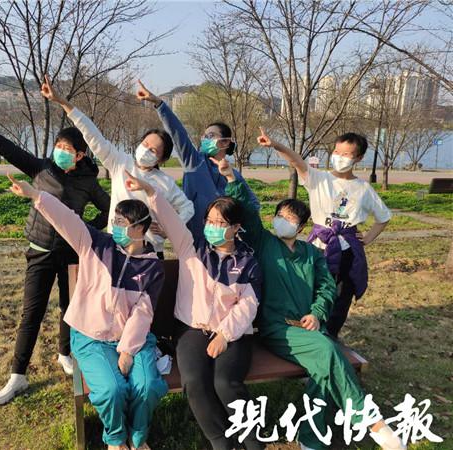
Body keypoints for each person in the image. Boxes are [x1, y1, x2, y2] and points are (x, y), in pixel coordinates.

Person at [215, 157, 405, 450]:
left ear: (302, 226)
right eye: (281, 215)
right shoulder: (264, 243)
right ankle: (371, 420)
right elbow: (249, 213)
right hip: (277, 328)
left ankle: (311, 439)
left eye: (291, 219)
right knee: (328, 350)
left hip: (310, 327)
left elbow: (327, 289)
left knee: (322, 368)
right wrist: (231, 178)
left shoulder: (313, 254)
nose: (284, 221)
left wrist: (317, 314)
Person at [0, 111, 110, 404]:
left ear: (80, 155)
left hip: (72, 255)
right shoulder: (41, 169)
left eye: (67, 149)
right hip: (41, 252)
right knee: (31, 313)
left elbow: (109, 209)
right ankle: (18, 375)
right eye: (58, 146)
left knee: (69, 309)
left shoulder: (88, 182)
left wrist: (86, 231)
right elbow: (7, 147)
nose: (60, 152)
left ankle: (64, 353)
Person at [8, 173, 166, 450]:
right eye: (115, 220)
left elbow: (143, 313)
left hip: (133, 339)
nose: (116, 226)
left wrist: (128, 351)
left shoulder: (152, 267)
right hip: (91, 337)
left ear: (141, 228)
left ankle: (138, 438)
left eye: (123, 223)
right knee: (111, 389)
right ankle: (116, 439)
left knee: (148, 385)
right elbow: (67, 219)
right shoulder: (96, 244)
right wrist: (36, 195)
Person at [124, 170, 262, 450]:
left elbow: (249, 304)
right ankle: (221, 441)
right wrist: (150, 191)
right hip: (191, 329)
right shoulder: (192, 248)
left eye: (220, 222)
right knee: (194, 381)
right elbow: (172, 221)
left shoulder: (247, 262)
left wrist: (225, 335)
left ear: (236, 227)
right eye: (209, 220)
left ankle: (253, 439)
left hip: (233, 332)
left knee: (225, 382)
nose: (212, 227)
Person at [40, 75, 194, 258]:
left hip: (150, 253)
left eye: (153, 150)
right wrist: (62, 102)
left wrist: (167, 229)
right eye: (145, 144)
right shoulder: (120, 162)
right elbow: (92, 134)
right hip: (117, 247)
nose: (145, 150)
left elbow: (188, 208)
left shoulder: (165, 182)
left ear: (162, 159)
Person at [257, 129, 391, 339]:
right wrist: (275, 145)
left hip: (346, 253)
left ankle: (330, 335)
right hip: (318, 248)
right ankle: (308, 333)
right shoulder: (319, 178)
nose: (339, 157)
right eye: (337, 152)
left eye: (346, 154)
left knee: (340, 297)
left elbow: (383, 217)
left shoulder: (364, 189)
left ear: (358, 158)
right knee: (311, 291)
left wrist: (367, 239)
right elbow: (296, 162)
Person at [135, 80, 260, 241]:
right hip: (193, 240)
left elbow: (252, 206)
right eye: (204, 136)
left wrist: (231, 181)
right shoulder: (194, 162)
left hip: (222, 241)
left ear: (225, 142)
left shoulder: (234, 175)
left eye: (211, 136)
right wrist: (159, 104)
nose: (205, 139)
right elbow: (178, 133)